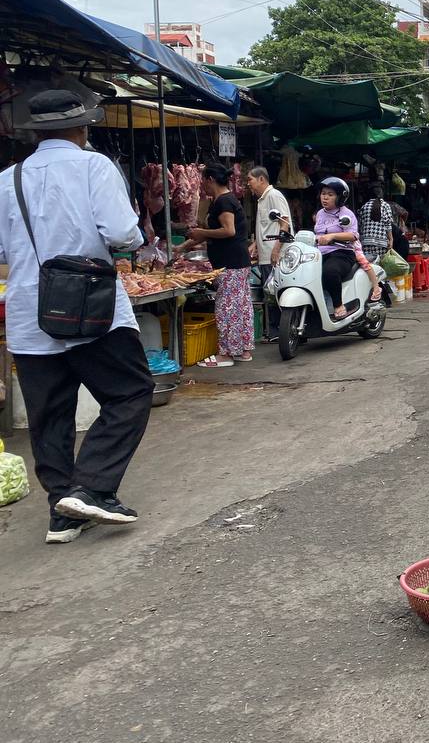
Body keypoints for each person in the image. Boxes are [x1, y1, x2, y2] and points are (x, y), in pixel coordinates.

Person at [0, 90, 152, 541]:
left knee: (50, 416)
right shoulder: (94, 166)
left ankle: (62, 515)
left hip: (29, 311)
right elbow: (124, 233)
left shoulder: (8, 178)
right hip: (92, 308)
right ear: (83, 128)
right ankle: (92, 488)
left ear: (37, 133)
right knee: (129, 393)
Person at [177, 164, 254, 367]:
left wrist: (202, 234)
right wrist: (183, 247)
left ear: (210, 179)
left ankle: (226, 354)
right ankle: (243, 351)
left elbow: (228, 231)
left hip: (231, 263)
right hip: (237, 262)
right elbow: (211, 232)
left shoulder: (224, 201)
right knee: (241, 306)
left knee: (227, 308)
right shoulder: (224, 200)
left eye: (203, 180)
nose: (202, 185)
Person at [247, 166, 290, 343]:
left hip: (275, 254)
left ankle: (280, 331)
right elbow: (267, 226)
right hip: (265, 254)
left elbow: (284, 223)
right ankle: (274, 332)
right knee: (269, 293)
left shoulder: (274, 196)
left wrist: (276, 249)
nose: (248, 183)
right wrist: (256, 244)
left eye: (250, 179)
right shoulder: (261, 200)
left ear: (261, 179)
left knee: (275, 293)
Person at [313, 177, 361, 320]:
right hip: (320, 253)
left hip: (342, 253)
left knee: (330, 272)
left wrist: (332, 236)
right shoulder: (320, 213)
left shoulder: (346, 214)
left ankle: (338, 305)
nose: (325, 197)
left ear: (340, 198)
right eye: (323, 193)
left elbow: (353, 235)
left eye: (330, 194)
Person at [358, 184, 396, 263]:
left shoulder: (364, 206)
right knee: (380, 265)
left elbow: (360, 226)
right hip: (381, 243)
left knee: (369, 265)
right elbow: (388, 225)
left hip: (366, 242)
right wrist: (391, 239)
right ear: (381, 194)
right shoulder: (385, 206)